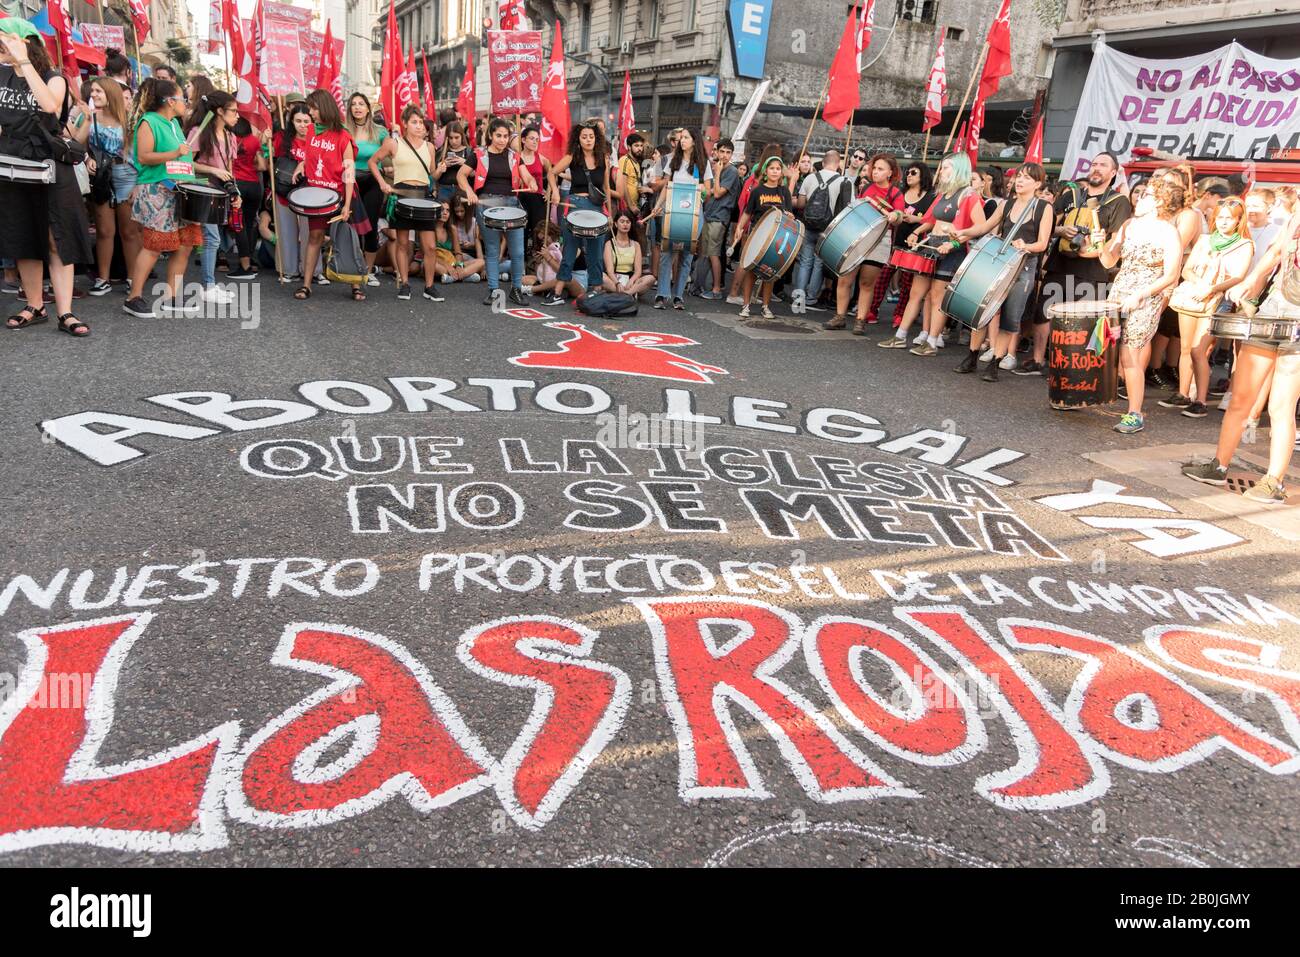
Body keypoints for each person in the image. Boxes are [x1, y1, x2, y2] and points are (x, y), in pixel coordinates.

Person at [1184, 210, 1300, 503]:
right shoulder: (1297, 212)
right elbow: (1276, 249)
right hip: (1273, 309)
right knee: (1241, 398)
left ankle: (1274, 481)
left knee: (1281, 406)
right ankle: (1219, 466)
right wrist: (1252, 280)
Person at [0, 19, 93, 335]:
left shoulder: (54, 78)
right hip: (11, 167)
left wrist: (23, 62)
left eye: (6, 42)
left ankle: (65, 312)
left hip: (50, 168)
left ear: (27, 42)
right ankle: (34, 304)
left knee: (57, 238)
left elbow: (50, 105)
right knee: (23, 236)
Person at [1015, 151, 1131, 376]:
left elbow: (1117, 238)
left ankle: (1072, 367)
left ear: (1113, 172)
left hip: (1092, 270)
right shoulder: (1071, 195)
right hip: (1060, 264)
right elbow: (1048, 226)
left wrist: (1096, 247)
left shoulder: (1118, 201)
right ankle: (1038, 360)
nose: (1096, 168)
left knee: (1083, 322)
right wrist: (1062, 230)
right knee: (1044, 313)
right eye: (1094, 163)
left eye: (1103, 165)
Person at [1098, 177, 1186, 435]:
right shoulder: (1128, 225)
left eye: (1147, 194)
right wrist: (1099, 243)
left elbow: (1171, 275)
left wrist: (1141, 295)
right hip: (1119, 292)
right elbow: (1107, 261)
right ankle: (1095, 394)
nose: (1140, 197)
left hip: (1146, 297)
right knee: (1107, 348)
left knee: (1130, 355)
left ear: (1160, 201)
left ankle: (1134, 413)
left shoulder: (1169, 231)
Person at [954, 163, 1053, 380]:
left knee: (1010, 317)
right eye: (1019, 176)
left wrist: (1025, 246)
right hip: (999, 265)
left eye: (1026, 178)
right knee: (982, 309)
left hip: (1024, 268)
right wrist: (963, 233)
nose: (1019, 180)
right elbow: (984, 227)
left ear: (1037, 183)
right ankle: (971, 356)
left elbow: (1043, 243)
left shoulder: (1044, 208)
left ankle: (995, 363)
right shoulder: (1007, 205)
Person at [882, 152, 986, 355]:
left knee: (938, 297)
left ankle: (931, 342)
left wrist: (955, 242)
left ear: (958, 170)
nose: (942, 171)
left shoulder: (968, 195)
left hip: (952, 250)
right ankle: (900, 336)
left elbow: (981, 226)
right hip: (931, 246)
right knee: (916, 293)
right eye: (942, 167)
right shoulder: (943, 194)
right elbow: (931, 220)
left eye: (946, 167)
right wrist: (916, 232)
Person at [1162, 198, 1253, 417]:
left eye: (1228, 218)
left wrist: (1211, 288)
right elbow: (1187, 270)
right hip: (1193, 296)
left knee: (1198, 350)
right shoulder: (1204, 240)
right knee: (1185, 348)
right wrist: (1201, 284)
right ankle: (1183, 393)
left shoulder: (1244, 244)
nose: (1223, 222)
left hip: (1217, 300)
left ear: (1238, 220)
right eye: (1219, 217)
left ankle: (1201, 401)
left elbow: (1239, 276)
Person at [122, 77, 200, 319]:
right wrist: (175, 152)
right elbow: (144, 157)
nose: (185, 103)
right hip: (157, 189)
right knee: (154, 245)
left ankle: (172, 296)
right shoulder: (149, 121)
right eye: (182, 99)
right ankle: (133, 297)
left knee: (185, 244)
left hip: (181, 188)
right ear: (169, 101)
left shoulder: (175, 124)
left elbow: (183, 159)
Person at [295, 89, 369, 302]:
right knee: (314, 237)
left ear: (325, 108)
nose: (311, 113)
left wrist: (346, 205)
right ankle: (306, 285)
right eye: (310, 109)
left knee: (348, 238)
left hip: (340, 193)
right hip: (316, 194)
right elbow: (310, 157)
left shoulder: (343, 135)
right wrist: (301, 165)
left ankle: (356, 285)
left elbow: (349, 171)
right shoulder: (310, 131)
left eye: (314, 108)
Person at [72, 75, 141, 295]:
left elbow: (141, 155)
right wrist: (86, 158)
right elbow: (76, 145)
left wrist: (139, 184)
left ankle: (133, 278)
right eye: (92, 91)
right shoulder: (90, 117)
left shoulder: (130, 120)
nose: (93, 95)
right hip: (101, 175)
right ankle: (102, 279)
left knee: (129, 231)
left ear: (110, 94)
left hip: (127, 174)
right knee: (104, 230)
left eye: (98, 91)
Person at [458, 116, 537, 306]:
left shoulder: (514, 156)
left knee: (517, 252)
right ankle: (494, 290)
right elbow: (461, 175)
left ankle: (516, 289)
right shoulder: (478, 154)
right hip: (487, 205)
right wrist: (469, 191)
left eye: (505, 136)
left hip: (511, 205)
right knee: (492, 250)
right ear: (491, 135)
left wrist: (532, 183)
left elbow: (526, 176)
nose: (502, 139)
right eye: (498, 135)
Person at [369, 103, 443, 301]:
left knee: (430, 246)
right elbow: (372, 162)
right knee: (402, 244)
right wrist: (383, 184)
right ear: (404, 124)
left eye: (421, 122)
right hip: (402, 196)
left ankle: (429, 287)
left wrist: (440, 171)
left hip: (423, 197)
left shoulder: (430, 147)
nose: (419, 126)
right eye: (414, 122)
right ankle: (404, 283)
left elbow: (431, 175)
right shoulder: (394, 143)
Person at [832, 153, 904, 333]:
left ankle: (860, 321)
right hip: (858, 235)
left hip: (880, 240)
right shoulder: (867, 188)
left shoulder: (895, 192)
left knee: (866, 283)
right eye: (874, 168)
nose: (875, 172)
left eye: (880, 169)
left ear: (890, 173)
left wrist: (894, 215)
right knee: (844, 278)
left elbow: (899, 216)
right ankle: (840, 316)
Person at [643, 127, 713, 310]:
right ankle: (662, 294)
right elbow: (667, 186)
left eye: (686, 138)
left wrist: (703, 191)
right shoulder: (673, 160)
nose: (682, 141)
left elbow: (708, 189)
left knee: (686, 256)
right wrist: (658, 206)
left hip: (694, 215)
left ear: (694, 140)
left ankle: (678, 296)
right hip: (672, 212)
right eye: (681, 138)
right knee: (667, 254)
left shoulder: (703, 163)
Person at [545, 122, 614, 306]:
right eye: (584, 136)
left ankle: (595, 292)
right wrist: (556, 191)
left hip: (597, 208)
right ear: (578, 138)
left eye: (591, 136)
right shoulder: (572, 156)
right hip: (574, 205)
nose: (588, 140)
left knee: (595, 252)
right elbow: (552, 173)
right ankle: (556, 293)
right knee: (569, 249)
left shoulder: (604, 159)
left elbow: (606, 188)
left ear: (596, 138)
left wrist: (609, 213)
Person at [184, 90, 242, 304]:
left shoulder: (230, 136)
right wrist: (213, 171)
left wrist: (236, 191)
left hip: (221, 193)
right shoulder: (199, 132)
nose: (237, 115)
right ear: (219, 111)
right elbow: (186, 162)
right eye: (233, 111)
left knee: (216, 239)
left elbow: (230, 168)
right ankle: (208, 286)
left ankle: (210, 284)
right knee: (212, 238)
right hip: (202, 191)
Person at [865, 161, 934, 332]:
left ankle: (900, 314)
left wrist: (915, 220)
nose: (909, 175)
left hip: (914, 245)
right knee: (883, 277)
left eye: (913, 173)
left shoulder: (930, 197)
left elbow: (932, 220)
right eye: (908, 172)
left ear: (922, 176)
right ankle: (872, 310)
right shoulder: (900, 193)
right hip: (895, 241)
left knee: (907, 282)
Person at [731, 155, 790, 319]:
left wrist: (790, 216)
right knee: (751, 271)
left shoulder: (784, 192)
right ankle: (746, 305)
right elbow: (748, 212)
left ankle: (765, 306)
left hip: (775, 238)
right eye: (772, 168)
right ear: (765, 171)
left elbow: (790, 213)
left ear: (781, 172)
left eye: (778, 168)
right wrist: (739, 227)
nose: (775, 171)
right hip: (756, 234)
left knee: (769, 272)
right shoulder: (758, 191)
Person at [792, 148, 848, 314]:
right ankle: (811, 298)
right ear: (838, 164)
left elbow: (801, 204)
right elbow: (846, 209)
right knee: (818, 263)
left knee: (805, 262)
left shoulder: (810, 177)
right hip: (828, 230)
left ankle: (798, 299)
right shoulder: (843, 181)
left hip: (808, 225)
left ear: (823, 162)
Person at [344, 92, 389, 285]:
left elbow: (388, 159)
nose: (357, 107)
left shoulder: (381, 132)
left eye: (361, 103)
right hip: (349, 182)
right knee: (350, 227)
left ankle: (367, 271)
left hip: (373, 181)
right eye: (353, 104)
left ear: (368, 108)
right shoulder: (343, 130)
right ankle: (350, 267)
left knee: (370, 227)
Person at [269, 102, 314, 282]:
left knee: (310, 233)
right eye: (298, 121)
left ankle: (313, 271)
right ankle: (288, 269)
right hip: (285, 191)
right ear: (291, 121)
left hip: (310, 193)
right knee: (286, 231)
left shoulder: (318, 139)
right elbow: (270, 160)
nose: (302, 125)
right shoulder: (281, 138)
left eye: (306, 121)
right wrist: (267, 142)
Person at [699, 138, 740, 301]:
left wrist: (716, 174)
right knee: (707, 253)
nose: (724, 155)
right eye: (722, 151)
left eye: (728, 152)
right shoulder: (715, 166)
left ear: (731, 154)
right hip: (710, 214)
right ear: (716, 151)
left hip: (720, 217)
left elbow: (717, 193)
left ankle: (717, 289)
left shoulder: (731, 171)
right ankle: (704, 285)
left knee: (714, 253)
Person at [602, 209, 656, 297]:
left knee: (651, 278)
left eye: (628, 222)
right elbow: (610, 270)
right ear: (616, 224)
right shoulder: (609, 244)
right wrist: (617, 283)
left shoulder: (636, 244)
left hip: (630, 281)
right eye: (622, 221)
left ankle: (627, 293)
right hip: (614, 280)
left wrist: (631, 281)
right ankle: (627, 294)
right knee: (600, 276)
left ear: (631, 224)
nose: (625, 224)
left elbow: (638, 271)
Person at [432, 202, 484, 283]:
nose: (445, 213)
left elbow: (458, 253)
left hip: (451, 262)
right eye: (442, 210)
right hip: (436, 262)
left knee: (481, 262)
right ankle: (465, 276)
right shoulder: (429, 229)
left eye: (448, 210)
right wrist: (447, 266)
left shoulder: (452, 228)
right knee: (429, 264)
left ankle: (454, 277)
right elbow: (427, 254)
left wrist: (459, 266)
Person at [436, 120, 469, 203]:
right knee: (444, 213)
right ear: (447, 138)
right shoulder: (441, 151)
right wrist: (443, 166)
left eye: (456, 137)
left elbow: (475, 174)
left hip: (462, 189)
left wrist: (464, 163)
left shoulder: (468, 151)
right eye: (451, 138)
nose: (454, 141)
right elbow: (434, 175)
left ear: (462, 136)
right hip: (444, 189)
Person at [619, 131, 645, 213]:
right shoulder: (625, 160)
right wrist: (630, 206)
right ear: (629, 147)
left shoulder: (636, 162)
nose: (639, 149)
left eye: (641, 146)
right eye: (636, 146)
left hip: (634, 206)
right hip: (625, 207)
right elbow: (623, 184)